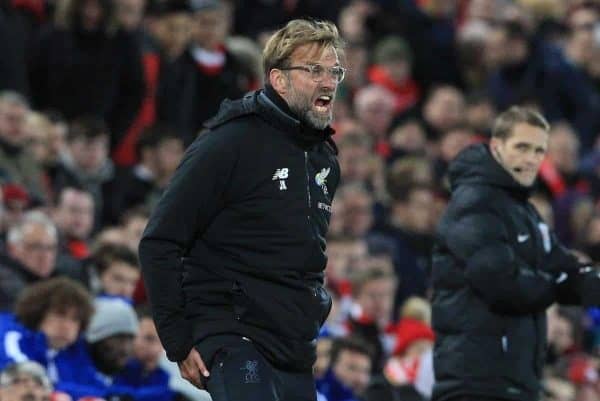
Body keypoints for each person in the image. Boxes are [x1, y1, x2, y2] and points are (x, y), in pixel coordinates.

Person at [139, 18, 344, 401]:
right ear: (278, 80)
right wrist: (179, 343)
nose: (329, 82)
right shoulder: (228, 143)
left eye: (334, 71)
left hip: (294, 345)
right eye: (314, 70)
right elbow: (159, 242)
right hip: (235, 333)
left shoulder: (323, 159)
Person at [431, 106, 600, 401]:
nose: (531, 159)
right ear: (497, 147)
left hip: (514, 382)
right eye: (521, 147)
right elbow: (502, 284)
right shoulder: (475, 203)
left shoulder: (525, 212)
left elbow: (564, 268)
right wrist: (555, 284)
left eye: (538, 150)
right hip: (476, 384)